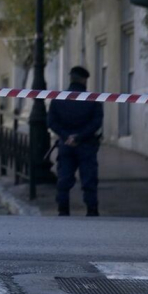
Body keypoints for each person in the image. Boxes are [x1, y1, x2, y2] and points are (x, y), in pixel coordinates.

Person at [48, 66, 103, 217]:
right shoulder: (92, 99)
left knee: (64, 179)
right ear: (84, 80)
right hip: (86, 145)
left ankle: (63, 210)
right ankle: (92, 210)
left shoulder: (58, 98)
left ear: (71, 78)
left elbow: (51, 122)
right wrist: (79, 137)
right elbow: (96, 122)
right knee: (89, 180)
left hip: (66, 145)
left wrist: (67, 137)